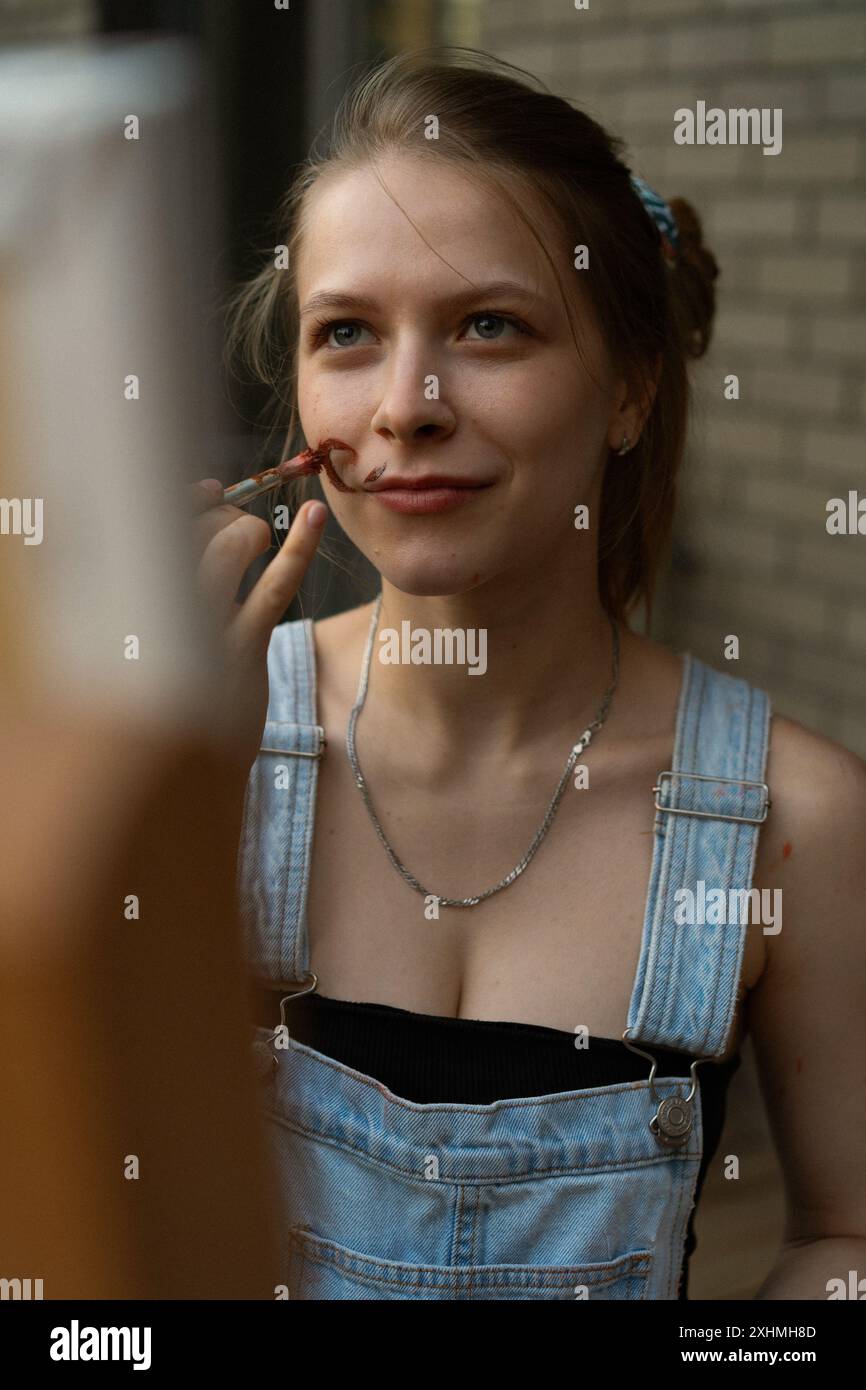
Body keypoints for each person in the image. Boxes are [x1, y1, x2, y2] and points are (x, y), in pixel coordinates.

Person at [193, 48, 866, 1300]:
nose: (407, 405)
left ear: (627, 388)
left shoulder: (794, 822)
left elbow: (845, 1237)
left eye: (486, 325)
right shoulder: (195, 752)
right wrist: (106, 799)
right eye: (346, 333)